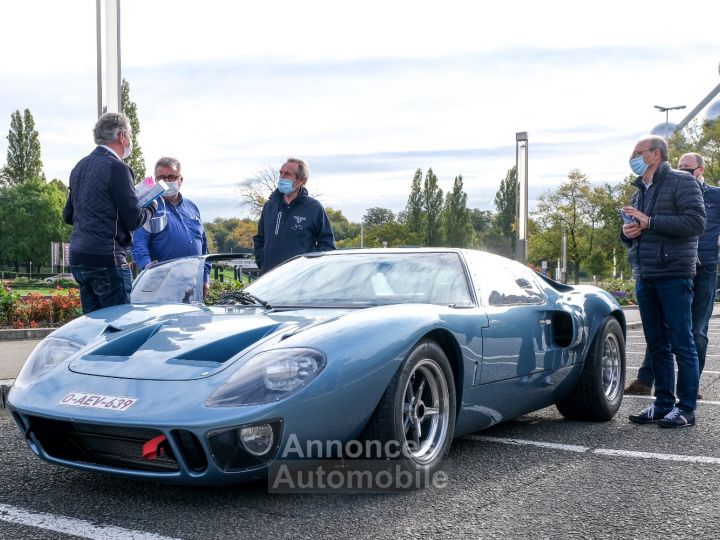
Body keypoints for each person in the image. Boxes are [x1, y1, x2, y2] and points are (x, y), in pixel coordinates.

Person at [621, 136, 706, 428]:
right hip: (646, 275)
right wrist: (628, 231)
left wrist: (650, 221)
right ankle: (663, 404)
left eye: (637, 152)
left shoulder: (682, 182)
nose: (632, 156)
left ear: (655, 154)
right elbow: (640, 225)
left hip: (674, 273)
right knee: (657, 344)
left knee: (682, 342)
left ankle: (686, 409)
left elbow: (696, 222)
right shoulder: (639, 191)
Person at [63, 112, 157, 314]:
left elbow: (68, 214)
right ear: (122, 136)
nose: (130, 142)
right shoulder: (118, 168)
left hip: (79, 257)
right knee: (118, 327)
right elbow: (133, 220)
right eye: (130, 137)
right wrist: (151, 206)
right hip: (107, 258)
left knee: (93, 329)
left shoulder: (79, 167)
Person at [131, 157, 210, 298]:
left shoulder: (192, 207)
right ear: (155, 181)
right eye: (162, 178)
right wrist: (147, 267)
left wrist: (205, 279)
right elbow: (138, 245)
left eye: (171, 177)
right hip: (163, 286)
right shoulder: (149, 208)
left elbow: (203, 246)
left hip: (193, 284)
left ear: (180, 180)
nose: (167, 182)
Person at [253, 157, 335, 273]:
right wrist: (262, 260)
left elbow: (327, 245)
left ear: (301, 180)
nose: (281, 177)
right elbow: (260, 239)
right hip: (269, 279)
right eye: (281, 173)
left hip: (299, 280)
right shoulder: (270, 206)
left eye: (287, 174)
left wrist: (308, 266)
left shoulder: (313, 208)